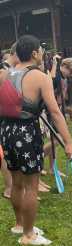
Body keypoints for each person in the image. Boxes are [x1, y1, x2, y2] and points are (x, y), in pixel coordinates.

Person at [0, 35, 72, 246]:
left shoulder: (3, 74)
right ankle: (28, 234)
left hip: (6, 131)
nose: (43, 54)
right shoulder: (40, 77)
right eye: (41, 51)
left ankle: (18, 224)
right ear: (34, 53)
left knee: (15, 183)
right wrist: (68, 143)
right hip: (26, 133)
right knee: (31, 187)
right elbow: (55, 112)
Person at [0, 42, 20, 199]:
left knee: (11, 153)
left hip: (10, 116)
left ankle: (14, 186)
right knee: (4, 154)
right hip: (3, 117)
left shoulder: (13, 70)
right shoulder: (4, 69)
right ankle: (9, 188)